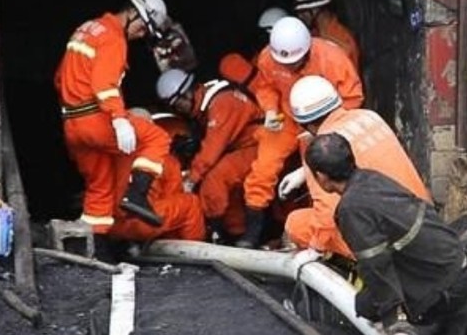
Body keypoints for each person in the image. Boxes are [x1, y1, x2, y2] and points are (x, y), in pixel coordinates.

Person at [304, 132, 467, 335]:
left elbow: (375, 264)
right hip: (461, 268)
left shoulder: (351, 208)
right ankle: (451, 310)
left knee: (365, 306)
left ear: (320, 176)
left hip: (445, 289)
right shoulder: (372, 178)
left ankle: (432, 320)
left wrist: (392, 318)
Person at [54, 0, 172, 237]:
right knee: (157, 138)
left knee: (99, 187)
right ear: (133, 14)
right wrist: (119, 118)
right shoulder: (112, 37)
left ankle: (94, 247)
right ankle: (137, 196)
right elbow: (104, 84)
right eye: (142, 29)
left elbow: (59, 79)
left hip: (72, 123)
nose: (140, 36)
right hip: (95, 120)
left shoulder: (86, 29)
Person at [238, 16, 363, 248]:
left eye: (295, 63)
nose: (289, 67)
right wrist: (269, 110)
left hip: (323, 121)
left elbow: (352, 98)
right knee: (263, 168)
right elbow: (265, 87)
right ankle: (251, 235)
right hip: (286, 117)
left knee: (323, 172)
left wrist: (329, 128)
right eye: (284, 64)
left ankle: (326, 234)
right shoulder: (268, 58)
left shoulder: (331, 58)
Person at [281, 75, 428, 258]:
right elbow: (364, 152)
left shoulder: (319, 151)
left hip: (392, 243)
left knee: (296, 223)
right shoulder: (369, 117)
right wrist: (303, 173)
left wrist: (315, 249)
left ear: (306, 124)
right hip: (424, 220)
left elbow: (326, 215)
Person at [156, 68, 262, 241]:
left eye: (177, 104)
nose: (179, 110)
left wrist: (191, 179)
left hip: (258, 145)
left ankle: (219, 232)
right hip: (242, 147)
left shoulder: (222, 102)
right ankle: (237, 233)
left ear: (187, 94)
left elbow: (212, 147)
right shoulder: (207, 105)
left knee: (215, 180)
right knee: (225, 181)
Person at [108, 110, 205, 244]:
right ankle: (192, 251)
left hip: (110, 225)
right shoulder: (162, 158)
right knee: (190, 203)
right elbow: (172, 195)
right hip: (141, 222)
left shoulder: (108, 156)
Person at [291, 0, 360, 70]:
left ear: (314, 10)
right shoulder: (316, 34)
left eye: (302, 12)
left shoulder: (340, 41)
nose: (300, 17)